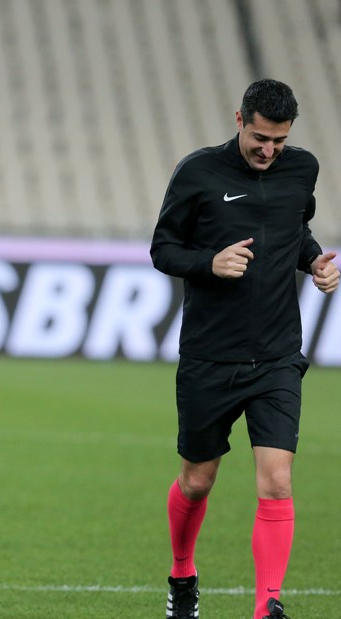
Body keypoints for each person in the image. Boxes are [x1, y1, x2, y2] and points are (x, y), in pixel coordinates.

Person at [151, 79, 338, 619]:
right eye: (260, 138)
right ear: (239, 120)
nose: (269, 150)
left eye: (279, 141)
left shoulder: (302, 169)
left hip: (277, 356)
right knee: (197, 480)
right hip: (210, 355)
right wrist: (208, 263)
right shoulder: (198, 172)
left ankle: (266, 606)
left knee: (277, 480)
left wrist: (313, 262)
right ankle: (182, 574)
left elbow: (294, 228)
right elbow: (163, 249)